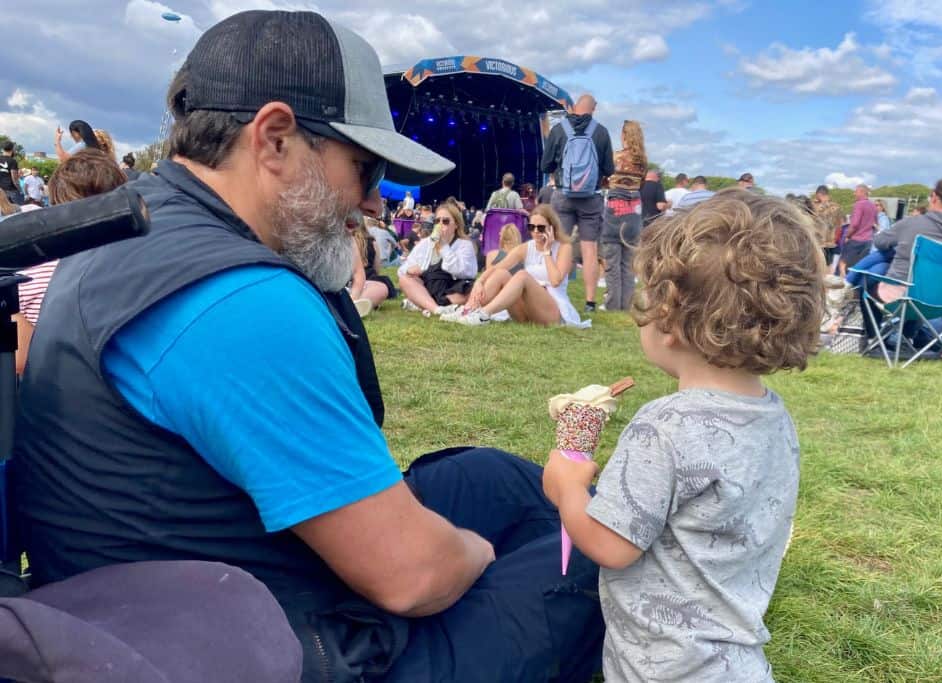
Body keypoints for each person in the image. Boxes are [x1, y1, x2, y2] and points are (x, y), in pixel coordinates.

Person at [13, 10, 603, 682]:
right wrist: (476, 556)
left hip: (148, 601)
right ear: (273, 139)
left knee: (494, 477)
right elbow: (412, 575)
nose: (376, 201)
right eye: (364, 166)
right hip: (267, 647)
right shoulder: (240, 300)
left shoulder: (128, 232)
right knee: (586, 553)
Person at [542, 189, 824, 683]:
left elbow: (612, 546)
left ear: (667, 317)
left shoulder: (663, 425)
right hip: (738, 663)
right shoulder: (775, 417)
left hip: (663, 666)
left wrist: (567, 488)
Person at [13, 150, 129, 375]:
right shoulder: (140, 267)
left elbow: (19, 360)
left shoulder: (31, 276)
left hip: (51, 394)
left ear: (56, 207)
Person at [443, 204, 589, 328]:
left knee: (522, 276)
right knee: (502, 274)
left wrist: (547, 252)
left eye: (541, 228)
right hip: (526, 311)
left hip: (553, 310)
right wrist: (479, 282)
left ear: (552, 228)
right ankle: (467, 310)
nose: (536, 232)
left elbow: (556, 281)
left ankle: (483, 314)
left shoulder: (564, 247)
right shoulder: (527, 247)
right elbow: (497, 267)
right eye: (532, 227)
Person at [541, 94, 615, 313]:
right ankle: (590, 301)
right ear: (594, 108)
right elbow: (609, 169)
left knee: (559, 246)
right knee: (589, 249)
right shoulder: (600, 132)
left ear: (573, 108)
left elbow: (545, 165)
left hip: (563, 195)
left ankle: (554, 293)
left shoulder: (559, 130)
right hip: (591, 198)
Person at [397, 200, 478, 316]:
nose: (440, 224)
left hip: (453, 286)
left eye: (445, 221)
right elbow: (402, 270)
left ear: (456, 225)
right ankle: (436, 308)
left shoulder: (465, 245)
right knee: (405, 279)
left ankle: (423, 303)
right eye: (437, 221)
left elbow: (462, 272)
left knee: (474, 290)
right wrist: (409, 270)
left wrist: (443, 246)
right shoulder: (425, 243)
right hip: (428, 285)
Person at [600, 120, 646, 311]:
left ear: (624, 135)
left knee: (612, 261)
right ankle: (626, 305)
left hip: (615, 211)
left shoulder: (616, 157)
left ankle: (612, 304)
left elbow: (604, 181)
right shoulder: (643, 162)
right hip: (634, 212)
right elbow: (641, 185)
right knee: (628, 264)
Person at [841, 184, 876, 276]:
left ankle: (844, 285)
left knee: (843, 265)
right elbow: (875, 223)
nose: (854, 194)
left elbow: (855, 224)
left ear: (862, 192)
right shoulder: (873, 206)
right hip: (868, 241)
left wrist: (847, 236)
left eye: (856, 191)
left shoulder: (859, 204)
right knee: (858, 268)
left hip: (856, 240)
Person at [810, 185, 842, 264]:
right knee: (828, 265)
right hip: (831, 242)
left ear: (819, 194)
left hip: (818, 242)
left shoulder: (814, 205)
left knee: (818, 264)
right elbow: (839, 225)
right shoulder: (836, 206)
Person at [0, 140, 21, 204]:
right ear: (12, 149)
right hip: (11, 190)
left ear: (2, 149)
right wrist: (20, 189)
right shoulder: (12, 161)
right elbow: (14, 179)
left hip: (1, 190)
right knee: (16, 211)